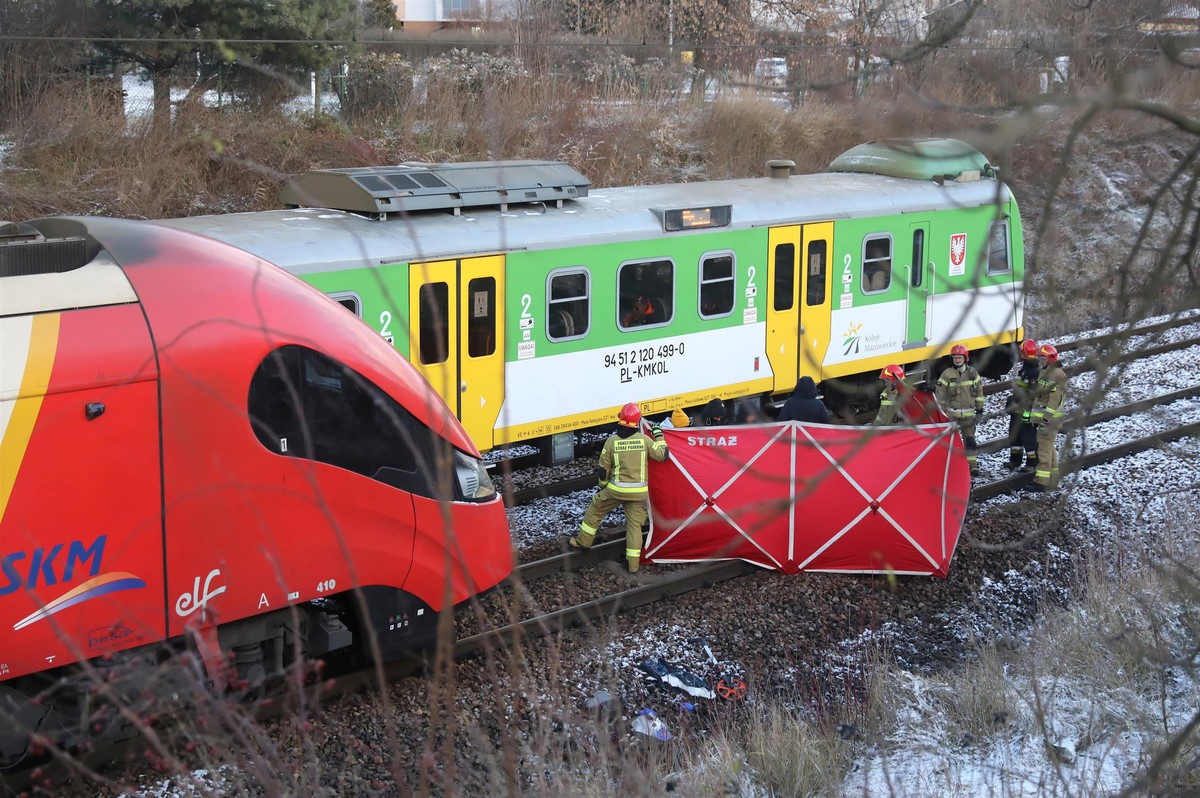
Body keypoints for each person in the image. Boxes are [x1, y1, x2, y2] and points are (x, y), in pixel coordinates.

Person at [569, 403, 669, 572]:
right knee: (634, 526)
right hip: (639, 494)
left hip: (616, 490)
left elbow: (603, 469)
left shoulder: (611, 442)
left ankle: (583, 542)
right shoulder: (644, 440)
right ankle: (632, 565)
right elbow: (663, 455)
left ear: (620, 420)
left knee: (595, 509)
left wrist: (602, 487)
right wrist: (658, 435)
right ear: (637, 422)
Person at [935, 345, 984, 475]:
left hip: (968, 416)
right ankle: (952, 467)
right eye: (955, 357)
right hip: (952, 416)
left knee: (970, 441)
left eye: (959, 357)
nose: (957, 360)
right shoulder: (946, 374)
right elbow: (940, 395)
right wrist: (943, 413)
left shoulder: (973, 373)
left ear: (965, 358)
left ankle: (972, 466)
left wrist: (979, 410)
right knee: (951, 443)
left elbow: (979, 392)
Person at [1027, 343, 1067, 492]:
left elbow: (1054, 400)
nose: (1040, 360)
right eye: (1039, 357)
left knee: (1043, 450)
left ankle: (1041, 482)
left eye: (1043, 358)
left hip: (1049, 420)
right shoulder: (1046, 372)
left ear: (1050, 358)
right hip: (1045, 419)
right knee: (1049, 448)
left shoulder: (1056, 374)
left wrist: (1045, 419)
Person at [1006, 339, 1041, 470]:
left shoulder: (1034, 373)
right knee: (1014, 435)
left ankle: (1032, 463)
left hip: (1026, 410)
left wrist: (1016, 389)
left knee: (1029, 437)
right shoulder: (1026, 368)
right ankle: (1015, 460)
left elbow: (1032, 396)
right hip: (1017, 408)